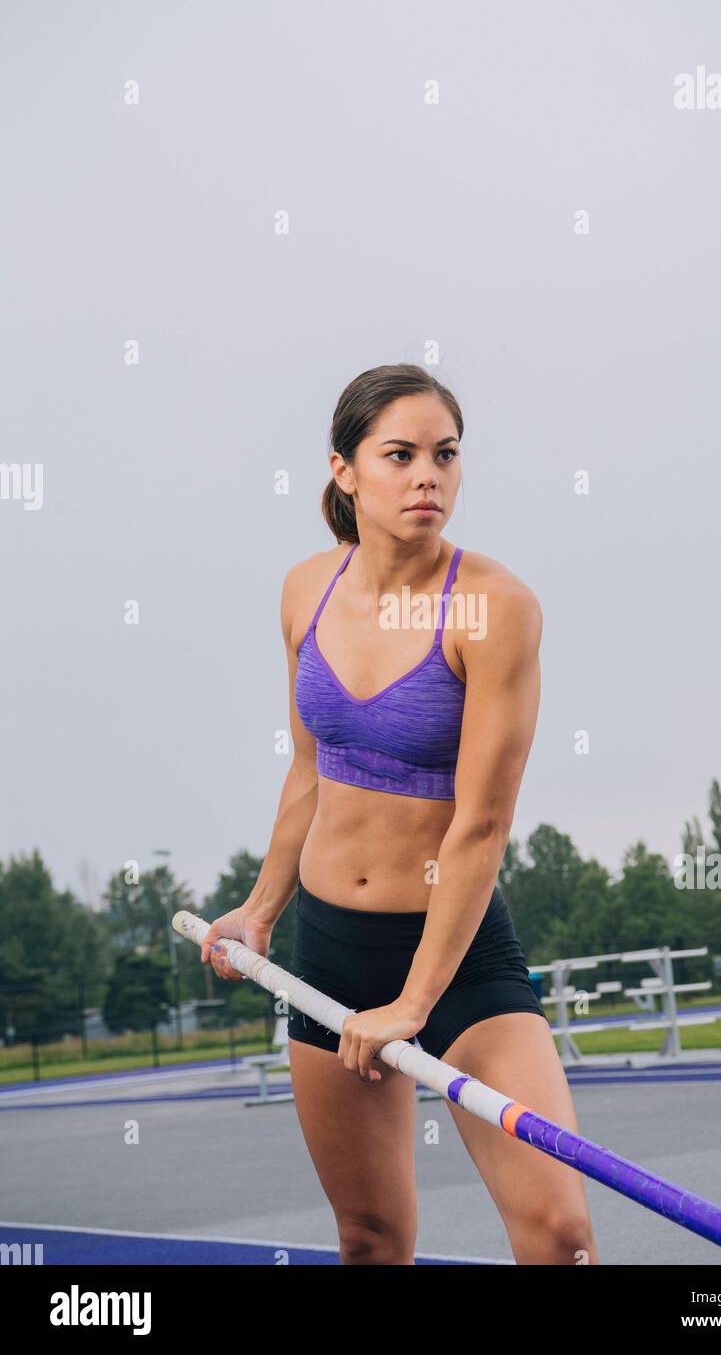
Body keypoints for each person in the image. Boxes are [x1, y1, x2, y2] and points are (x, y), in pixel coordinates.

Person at [202, 363, 600, 1266]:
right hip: (330, 951)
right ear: (344, 471)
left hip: (454, 958)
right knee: (371, 1237)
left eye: (446, 455)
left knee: (561, 1234)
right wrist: (261, 909)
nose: (429, 475)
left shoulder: (495, 609)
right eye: (401, 455)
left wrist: (413, 1004)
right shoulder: (306, 589)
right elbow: (309, 768)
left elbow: (483, 824)